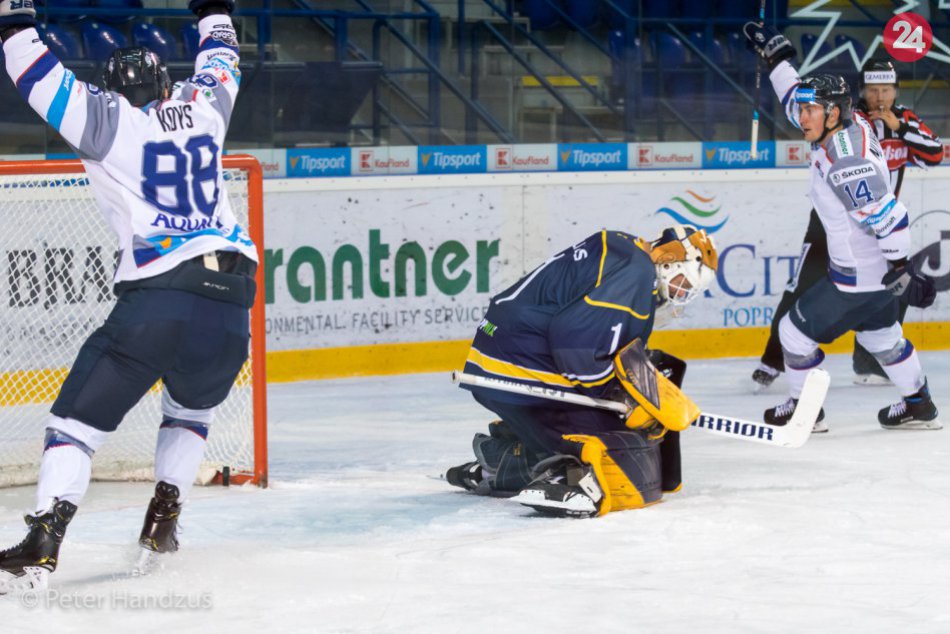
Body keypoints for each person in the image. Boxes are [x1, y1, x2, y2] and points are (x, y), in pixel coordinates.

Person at [0, 0, 257, 590]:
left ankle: (42, 543)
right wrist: (213, 9)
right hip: (233, 300)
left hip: (160, 294)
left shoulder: (105, 117)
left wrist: (15, 20)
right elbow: (223, 53)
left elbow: (33, 72)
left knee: (75, 424)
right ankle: (162, 526)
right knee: (191, 412)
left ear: (112, 88)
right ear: (167, 83)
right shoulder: (204, 104)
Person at [743, 23, 941, 432]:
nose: (801, 116)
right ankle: (919, 403)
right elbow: (793, 95)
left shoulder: (845, 160)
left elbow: (889, 215)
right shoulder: (846, 121)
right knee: (883, 338)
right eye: (803, 109)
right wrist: (779, 59)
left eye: (810, 110)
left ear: (833, 112)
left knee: (793, 335)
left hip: (856, 278)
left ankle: (805, 411)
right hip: (873, 277)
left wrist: (902, 270)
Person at [446, 225, 719, 518]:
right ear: (668, 262)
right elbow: (575, 344)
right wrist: (621, 397)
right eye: (685, 283)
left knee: (602, 416)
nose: (683, 294)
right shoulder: (637, 274)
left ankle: (505, 458)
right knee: (622, 439)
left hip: (497, 356)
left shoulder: (623, 248)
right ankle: (571, 479)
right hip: (521, 361)